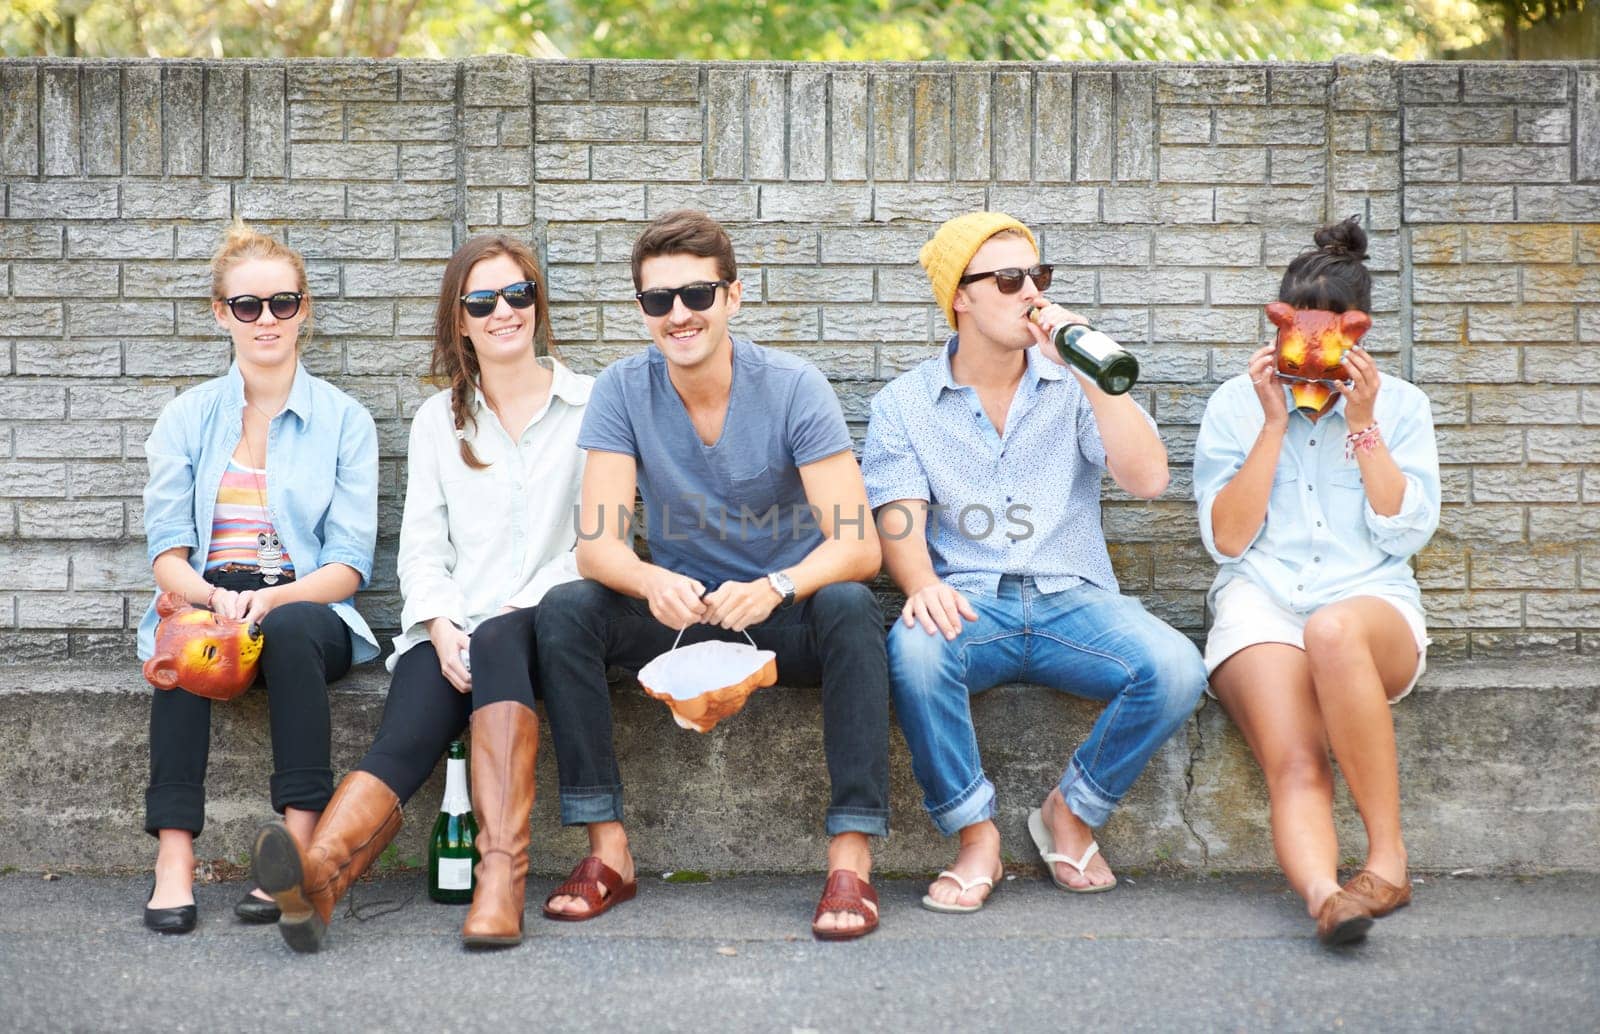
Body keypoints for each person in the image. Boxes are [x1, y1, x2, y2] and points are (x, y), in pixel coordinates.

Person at [535, 209, 890, 940]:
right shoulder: (623, 391)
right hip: (682, 618)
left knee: (852, 606)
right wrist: (647, 582)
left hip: (778, 614)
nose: (679, 314)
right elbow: (596, 546)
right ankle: (610, 853)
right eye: (658, 300)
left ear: (732, 297)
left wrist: (780, 584)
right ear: (641, 311)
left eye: (697, 294)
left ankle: (850, 859)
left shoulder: (794, 386)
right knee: (568, 608)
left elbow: (859, 544)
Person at [250, 234, 591, 951]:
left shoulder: (592, 407)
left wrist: (509, 611)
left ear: (537, 302)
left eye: (518, 294)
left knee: (502, 638)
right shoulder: (441, 422)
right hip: (454, 631)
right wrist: (438, 625)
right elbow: (423, 548)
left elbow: (591, 547)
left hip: (548, 627)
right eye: (482, 300)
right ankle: (319, 883)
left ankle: (500, 884)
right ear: (459, 321)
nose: (504, 311)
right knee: (406, 732)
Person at [861, 211, 1207, 914]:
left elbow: (1147, 479)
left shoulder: (1069, 385)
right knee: (915, 651)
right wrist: (921, 583)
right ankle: (975, 835)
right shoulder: (903, 404)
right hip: (970, 601)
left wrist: (1090, 375)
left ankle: (1070, 812)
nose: (1034, 295)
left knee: (1177, 668)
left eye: (1040, 277)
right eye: (1012, 279)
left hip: (1070, 599)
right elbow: (897, 513)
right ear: (961, 295)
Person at [1193, 216, 1439, 947]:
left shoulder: (1401, 405)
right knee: (1295, 759)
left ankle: (1388, 861)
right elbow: (1228, 539)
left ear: (1355, 334)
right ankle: (1327, 898)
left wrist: (1362, 424)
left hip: (1370, 607)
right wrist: (1272, 423)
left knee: (1333, 629)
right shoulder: (1235, 405)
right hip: (1262, 601)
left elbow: (1404, 531)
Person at [139, 220, 380, 934]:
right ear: (223, 314)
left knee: (297, 623)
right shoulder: (187, 417)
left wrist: (271, 598)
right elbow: (165, 555)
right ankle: (174, 859)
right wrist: (211, 598)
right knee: (181, 639)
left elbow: (347, 567)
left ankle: (298, 847)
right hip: (211, 592)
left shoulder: (345, 421)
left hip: (305, 606)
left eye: (282, 303)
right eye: (248, 306)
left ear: (304, 308)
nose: (266, 319)